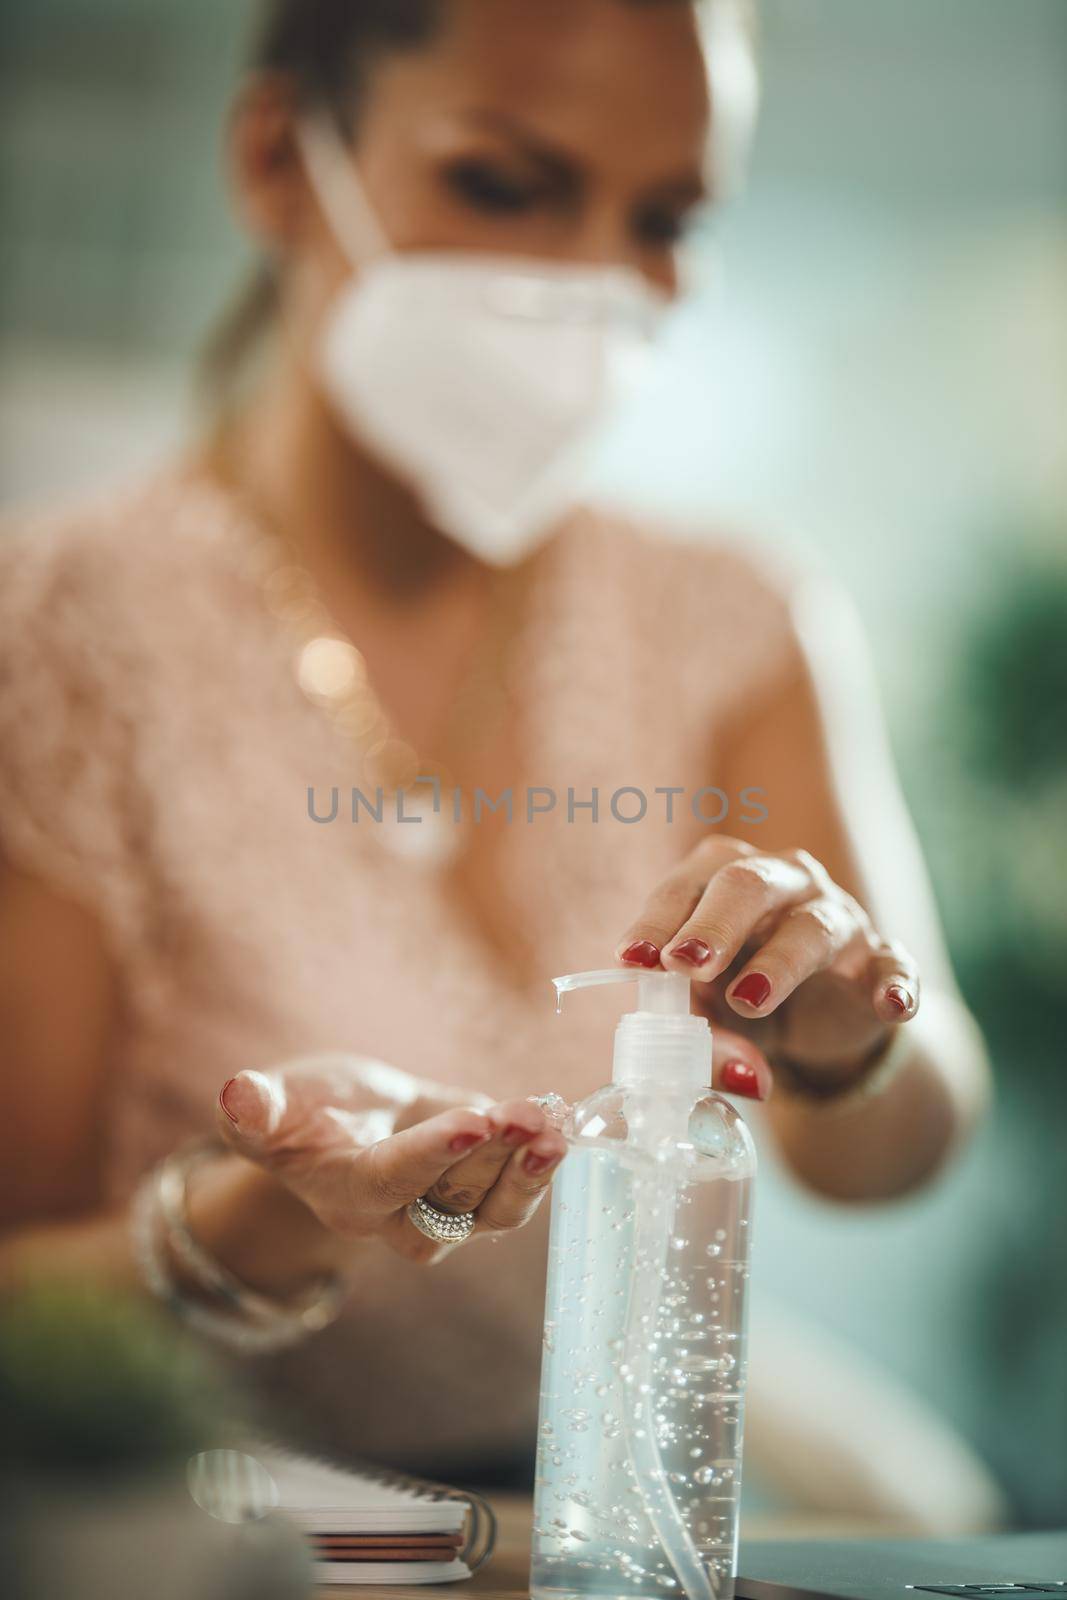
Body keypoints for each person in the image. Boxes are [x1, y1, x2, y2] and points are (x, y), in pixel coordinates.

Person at [0, 0, 989, 1485]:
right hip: (189, 1511)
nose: (596, 274)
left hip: (597, 1486)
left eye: (663, 215)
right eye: (506, 183)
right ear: (280, 158)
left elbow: (899, 1150)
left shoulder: (739, 618)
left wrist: (849, 1041)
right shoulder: (58, 635)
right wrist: (252, 1222)